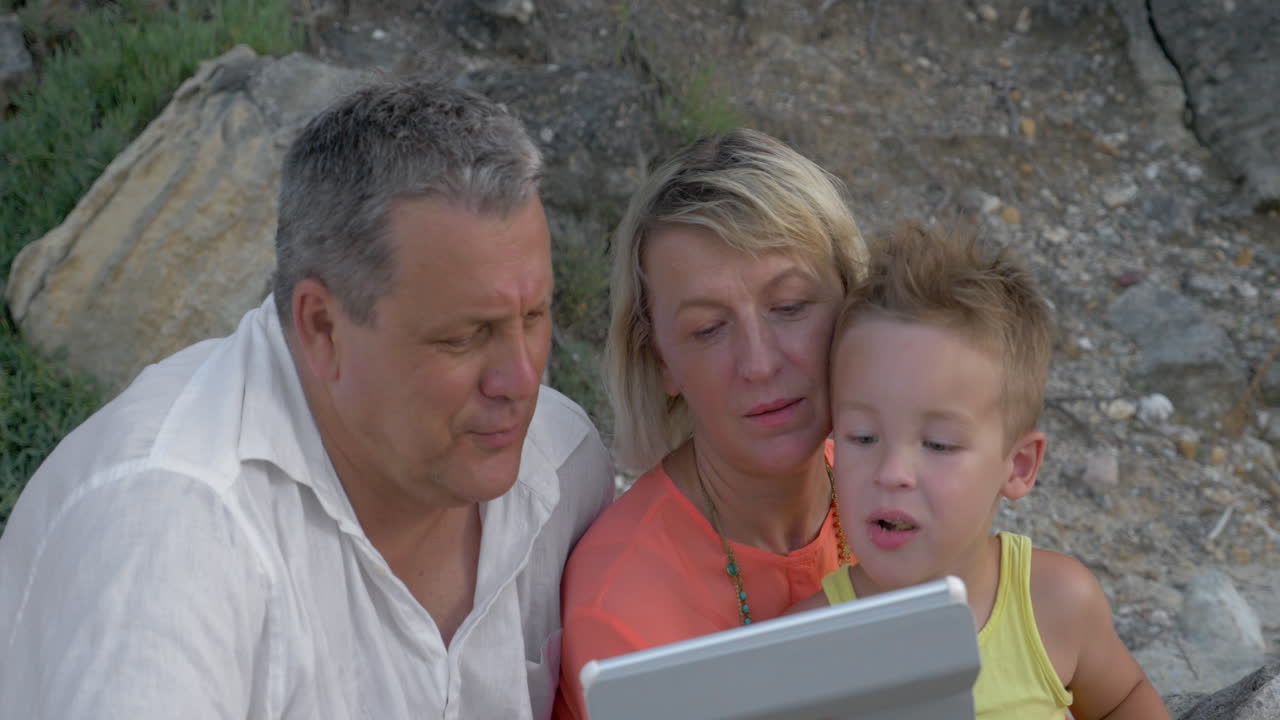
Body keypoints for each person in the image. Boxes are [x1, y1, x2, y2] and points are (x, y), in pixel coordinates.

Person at [0, 80, 614, 720]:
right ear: (322, 327)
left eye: (536, 317)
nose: (520, 379)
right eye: (464, 337)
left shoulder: (564, 464)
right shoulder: (167, 535)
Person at [790, 221, 1169, 718]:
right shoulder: (804, 647)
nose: (892, 471)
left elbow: (1122, 700)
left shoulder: (1054, 604)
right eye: (862, 437)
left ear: (1018, 466)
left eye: (939, 444)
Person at [554, 128, 869, 719]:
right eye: (707, 329)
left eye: (791, 306)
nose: (760, 362)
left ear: (854, 304)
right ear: (660, 361)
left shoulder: (897, 487)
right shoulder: (620, 608)